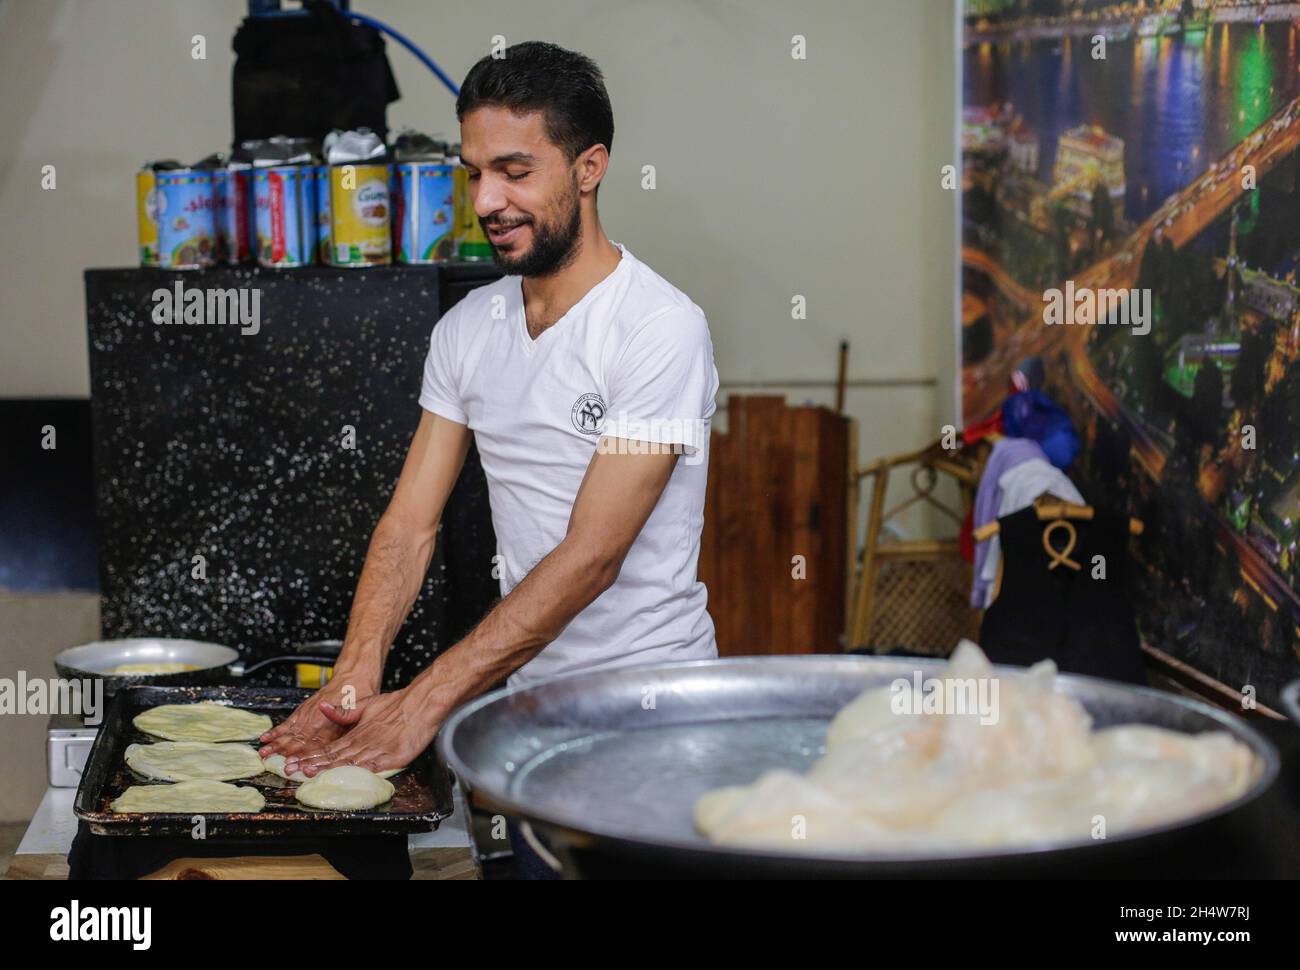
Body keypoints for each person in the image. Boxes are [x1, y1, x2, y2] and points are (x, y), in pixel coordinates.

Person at [259, 41, 720, 876]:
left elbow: (592, 557)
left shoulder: (658, 329)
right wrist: (356, 676)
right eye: (474, 173)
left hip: (650, 713)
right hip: (530, 709)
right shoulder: (469, 330)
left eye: (514, 170)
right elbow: (410, 522)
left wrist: (425, 704)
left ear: (590, 167)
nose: (487, 201)